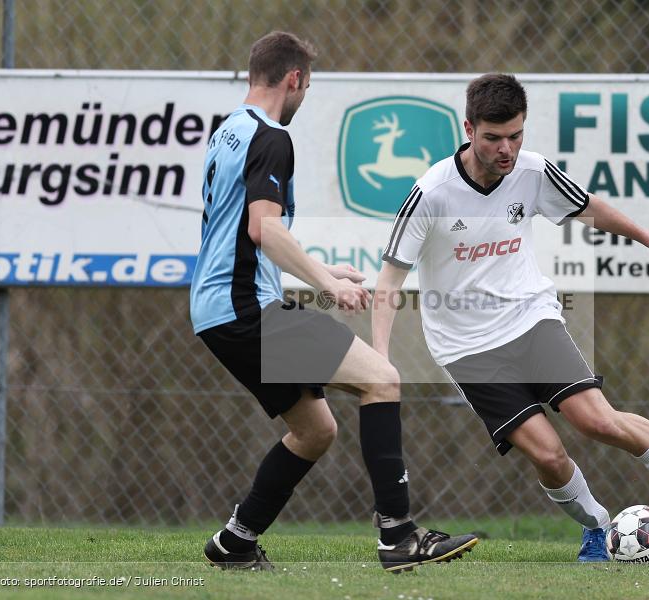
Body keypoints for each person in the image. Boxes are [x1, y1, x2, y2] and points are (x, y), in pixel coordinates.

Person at [372, 73, 649, 562]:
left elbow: (587, 207)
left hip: (531, 319)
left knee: (598, 421)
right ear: (469, 128)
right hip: (466, 347)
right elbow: (389, 281)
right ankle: (597, 529)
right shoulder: (431, 193)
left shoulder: (533, 172)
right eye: (494, 138)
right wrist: (380, 361)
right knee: (548, 454)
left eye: (515, 136)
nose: (506, 149)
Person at [189, 30, 477, 573]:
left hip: (218, 311)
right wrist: (328, 285)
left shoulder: (229, 130)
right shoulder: (273, 137)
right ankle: (399, 537)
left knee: (315, 430)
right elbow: (263, 231)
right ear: (294, 78)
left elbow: (244, 233)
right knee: (382, 379)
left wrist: (322, 269)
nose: (304, 96)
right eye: (307, 85)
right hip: (245, 309)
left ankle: (235, 542)